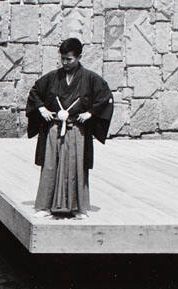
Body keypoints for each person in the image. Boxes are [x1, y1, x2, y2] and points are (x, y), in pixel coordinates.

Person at [26, 38, 113, 220]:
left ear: (79, 57)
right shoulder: (52, 77)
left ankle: (78, 208)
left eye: (69, 59)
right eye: (63, 59)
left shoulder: (90, 78)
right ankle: (45, 206)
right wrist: (42, 109)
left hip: (77, 130)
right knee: (50, 165)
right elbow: (35, 92)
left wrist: (90, 113)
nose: (65, 63)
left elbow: (105, 97)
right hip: (54, 128)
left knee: (76, 166)